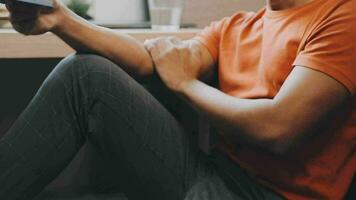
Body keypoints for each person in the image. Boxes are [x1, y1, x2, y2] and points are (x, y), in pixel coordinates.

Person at [1, 0, 355, 199]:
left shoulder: (343, 15)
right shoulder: (237, 26)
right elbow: (150, 60)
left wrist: (187, 85)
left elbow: (280, 128)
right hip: (215, 176)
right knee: (87, 74)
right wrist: (60, 19)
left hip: (269, 196)